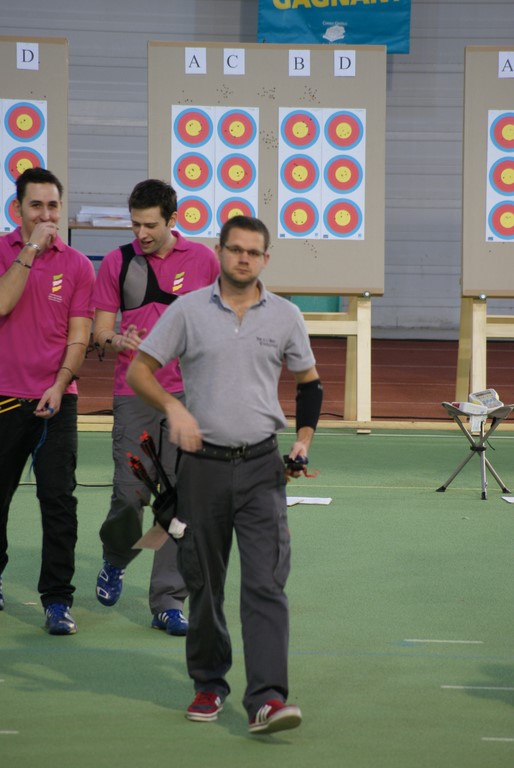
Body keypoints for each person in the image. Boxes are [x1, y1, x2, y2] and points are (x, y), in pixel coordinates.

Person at [126, 215, 322, 734]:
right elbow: (138, 371)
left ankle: (268, 700)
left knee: (265, 583)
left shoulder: (285, 316)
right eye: (234, 250)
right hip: (202, 471)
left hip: (262, 467)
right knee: (204, 586)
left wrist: (303, 439)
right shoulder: (188, 311)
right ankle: (209, 685)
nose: (243, 259)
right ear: (220, 252)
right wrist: (174, 408)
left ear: (265, 259)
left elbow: (309, 383)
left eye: (252, 252)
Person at [92, 179, 219, 635]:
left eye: (149, 225)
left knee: (179, 503)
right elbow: (101, 329)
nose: (140, 233)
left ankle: (167, 601)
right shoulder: (117, 262)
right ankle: (115, 557)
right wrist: (115, 338)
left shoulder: (205, 260)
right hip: (135, 396)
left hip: (189, 398)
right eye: (135, 224)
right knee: (130, 496)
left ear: (172, 220)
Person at [0, 167, 95, 634]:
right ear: (17, 209)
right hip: (3, 398)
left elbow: (79, 336)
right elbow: (1, 304)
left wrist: (60, 384)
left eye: (53, 205)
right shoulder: (2, 252)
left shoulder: (78, 265)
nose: (46, 214)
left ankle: (57, 600)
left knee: (59, 501)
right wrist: (32, 248)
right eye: (36, 205)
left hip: (58, 398)